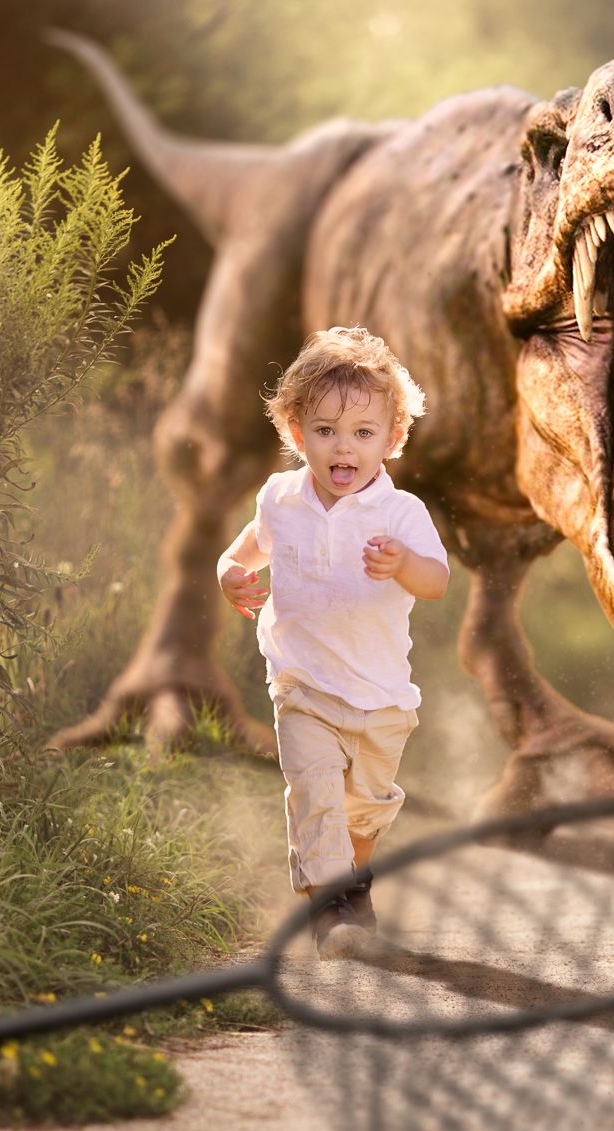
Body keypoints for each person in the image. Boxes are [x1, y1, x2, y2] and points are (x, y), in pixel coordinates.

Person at [217, 326, 449, 958]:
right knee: (315, 795)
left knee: (364, 814)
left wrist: (403, 564)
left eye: (363, 433)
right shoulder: (281, 498)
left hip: (380, 695)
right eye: (324, 430)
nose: (343, 446)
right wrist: (229, 573)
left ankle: (354, 884)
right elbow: (250, 547)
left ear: (392, 439)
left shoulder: (400, 514)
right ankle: (331, 913)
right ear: (296, 434)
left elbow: (435, 581)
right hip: (301, 683)